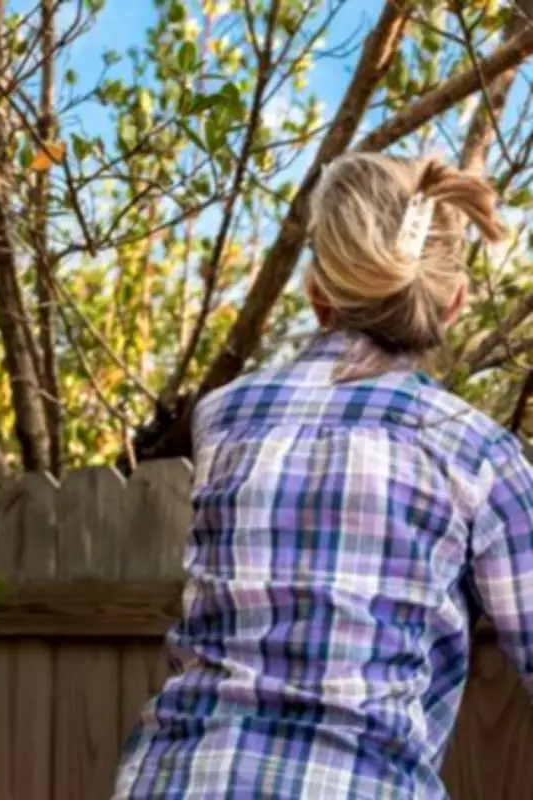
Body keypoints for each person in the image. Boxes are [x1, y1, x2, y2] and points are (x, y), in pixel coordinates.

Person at [112, 153, 533, 799]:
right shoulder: (473, 451)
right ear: (454, 302)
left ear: (316, 294)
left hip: (174, 780)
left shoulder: (226, 415)